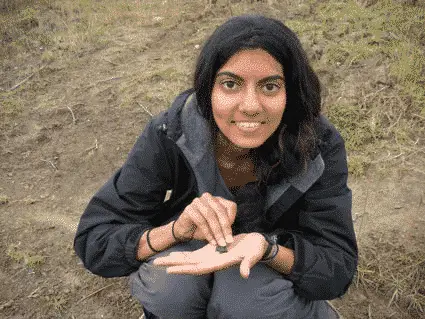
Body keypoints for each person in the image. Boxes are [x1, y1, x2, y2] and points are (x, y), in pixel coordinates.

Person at [74, 14, 358, 319]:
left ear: (291, 91)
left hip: (269, 285)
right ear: (207, 89)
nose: (250, 105)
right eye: (231, 84)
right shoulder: (172, 132)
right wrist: (175, 232)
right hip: (190, 255)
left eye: (270, 86)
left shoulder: (317, 144)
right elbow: (95, 240)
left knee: (248, 301)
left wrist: (267, 250)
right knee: (170, 288)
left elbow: (337, 267)